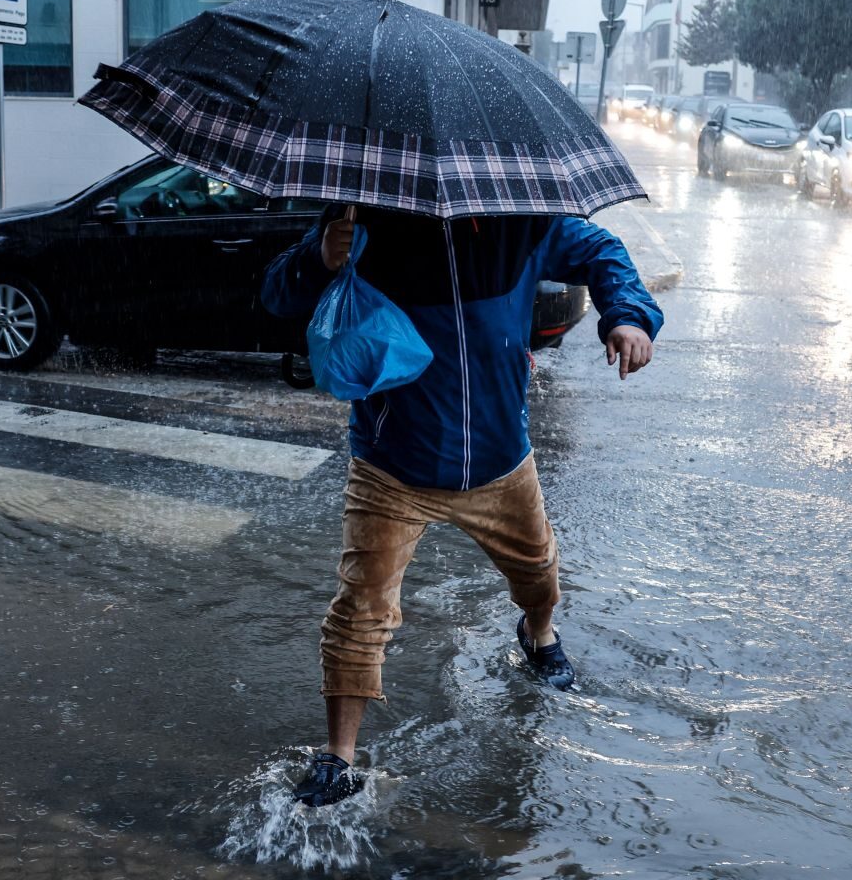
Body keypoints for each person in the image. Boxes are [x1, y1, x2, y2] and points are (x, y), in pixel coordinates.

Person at [261, 206, 663, 808]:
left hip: (501, 460)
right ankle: (339, 758)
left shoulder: (520, 221)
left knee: (538, 573)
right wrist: (321, 257)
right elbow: (277, 294)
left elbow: (601, 250)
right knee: (360, 610)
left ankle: (539, 631)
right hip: (392, 462)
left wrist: (627, 316)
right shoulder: (362, 214)